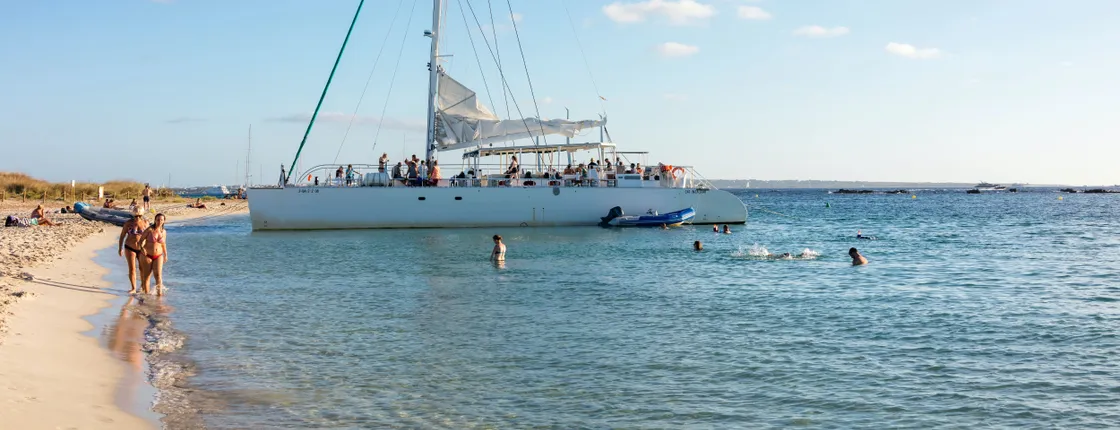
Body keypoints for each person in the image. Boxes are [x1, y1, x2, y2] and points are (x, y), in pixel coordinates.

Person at [118, 207, 149, 294]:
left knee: (142, 268)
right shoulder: (128, 223)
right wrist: (120, 248)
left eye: (139, 216)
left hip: (142, 248)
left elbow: (149, 236)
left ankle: (143, 286)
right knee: (132, 269)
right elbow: (122, 236)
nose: (137, 218)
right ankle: (133, 288)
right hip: (129, 247)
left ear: (142, 215)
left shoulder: (145, 223)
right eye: (135, 216)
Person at [138, 213, 169, 295]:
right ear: (155, 220)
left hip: (158, 255)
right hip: (147, 255)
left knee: (158, 275)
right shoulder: (149, 230)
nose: (159, 221)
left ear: (164, 221)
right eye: (158, 219)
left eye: (161, 220)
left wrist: (165, 254)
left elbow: (163, 244)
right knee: (147, 276)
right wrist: (142, 248)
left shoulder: (164, 231)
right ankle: (146, 295)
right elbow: (140, 241)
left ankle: (159, 296)